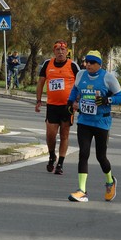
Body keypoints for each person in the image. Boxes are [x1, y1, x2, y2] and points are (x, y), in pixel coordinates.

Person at [66, 50, 121, 202]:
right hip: (84, 121)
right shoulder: (81, 75)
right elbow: (75, 90)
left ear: (99, 64)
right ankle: (82, 190)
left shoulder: (108, 77)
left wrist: (106, 100)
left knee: (100, 156)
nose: (88, 65)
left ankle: (110, 181)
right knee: (83, 153)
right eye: (87, 62)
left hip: (101, 122)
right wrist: (70, 103)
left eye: (92, 62)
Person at [35, 40, 80, 175]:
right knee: (50, 134)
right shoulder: (48, 64)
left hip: (67, 106)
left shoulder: (72, 65)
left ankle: (60, 163)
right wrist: (38, 100)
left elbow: (80, 85)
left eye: (63, 50)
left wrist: (77, 101)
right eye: (57, 50)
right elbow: (41, 82)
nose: (60, 52)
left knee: (64, 134)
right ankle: (51, 155)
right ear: (54, 52)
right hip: (52, 105)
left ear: (67, 52)